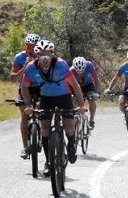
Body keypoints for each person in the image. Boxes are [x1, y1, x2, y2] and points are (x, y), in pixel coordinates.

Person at [20, 39, 86, 172]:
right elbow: (24, 87)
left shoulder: (61, 65)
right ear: (37, 57)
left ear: (52, 55)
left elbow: (75, 85)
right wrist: (27, 104)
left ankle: (72, 144)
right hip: (46, 98)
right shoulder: (31, 68)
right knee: (45, 129)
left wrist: (81, 105)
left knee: (69, 128)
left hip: (64, 96)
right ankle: (48, 162)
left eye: (48, 56)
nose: (45, 60)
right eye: (42, 56)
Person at [11, 33, 41, 158]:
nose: (31, 51)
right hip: (24, 87)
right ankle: (25, 146)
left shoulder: (44, 58)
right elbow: (13, 79)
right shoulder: (19, 57)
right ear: (25, 46)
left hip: (39, 87)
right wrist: (25, 66)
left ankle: (43, 136)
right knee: (24, 116)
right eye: (29, 47)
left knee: (44, 113)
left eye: (34, 48)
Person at [71, 56, 101, 129]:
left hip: (88, 85)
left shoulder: (89, 65)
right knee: (74, 102)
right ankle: (76, 119)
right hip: (76, 86)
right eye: (78, 71)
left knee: (92, 99)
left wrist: (97, 91)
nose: (80, 73)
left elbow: (96, 79)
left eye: (82, 71)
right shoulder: (71, 71)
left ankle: (91, 120)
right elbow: (68, 85)